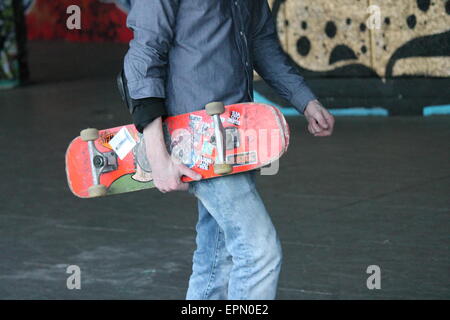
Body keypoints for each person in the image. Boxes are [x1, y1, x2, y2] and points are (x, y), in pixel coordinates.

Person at [121, 0, 335, 300]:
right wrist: (158, 156)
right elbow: (144, 55)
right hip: (196, 138)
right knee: (259, 250)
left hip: (236, 135)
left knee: (216, 257)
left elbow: (261, 42)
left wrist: (305, 100)